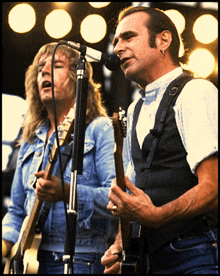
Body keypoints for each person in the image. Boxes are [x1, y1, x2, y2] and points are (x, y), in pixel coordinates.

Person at [101, 6, 218, 274]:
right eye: (116, 40)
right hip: (149, 259)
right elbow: (133, 191)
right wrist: (121, 246)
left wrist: (157, 216)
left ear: (163, 40)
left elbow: (212, 188)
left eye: (128, 37)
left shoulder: (195, 92)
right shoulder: (133, 110)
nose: (118, 48)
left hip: (195, 253)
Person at [2, 42, 118, 274]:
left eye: (56, 66)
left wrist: (67, 191)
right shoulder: (31, 140)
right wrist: (4, 246)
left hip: (85, 259)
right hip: (37, 260)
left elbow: (117, 198)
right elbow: (16, 211)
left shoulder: (99, 129)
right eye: (40, 68)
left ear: (78, 78)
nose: (44, 71)